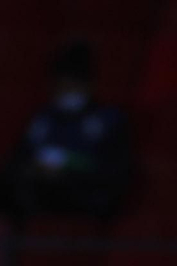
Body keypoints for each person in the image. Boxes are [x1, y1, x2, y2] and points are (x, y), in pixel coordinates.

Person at [11, 39, 133, 220]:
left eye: (73, 84)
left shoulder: (110, 120)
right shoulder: (42, 119)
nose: (66, 91)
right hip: (40, 192)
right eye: (62, 85)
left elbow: (114, 171)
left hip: (84, 198)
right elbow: (19, 158)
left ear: (88, 84)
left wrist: (69, 168)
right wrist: (32, 169)